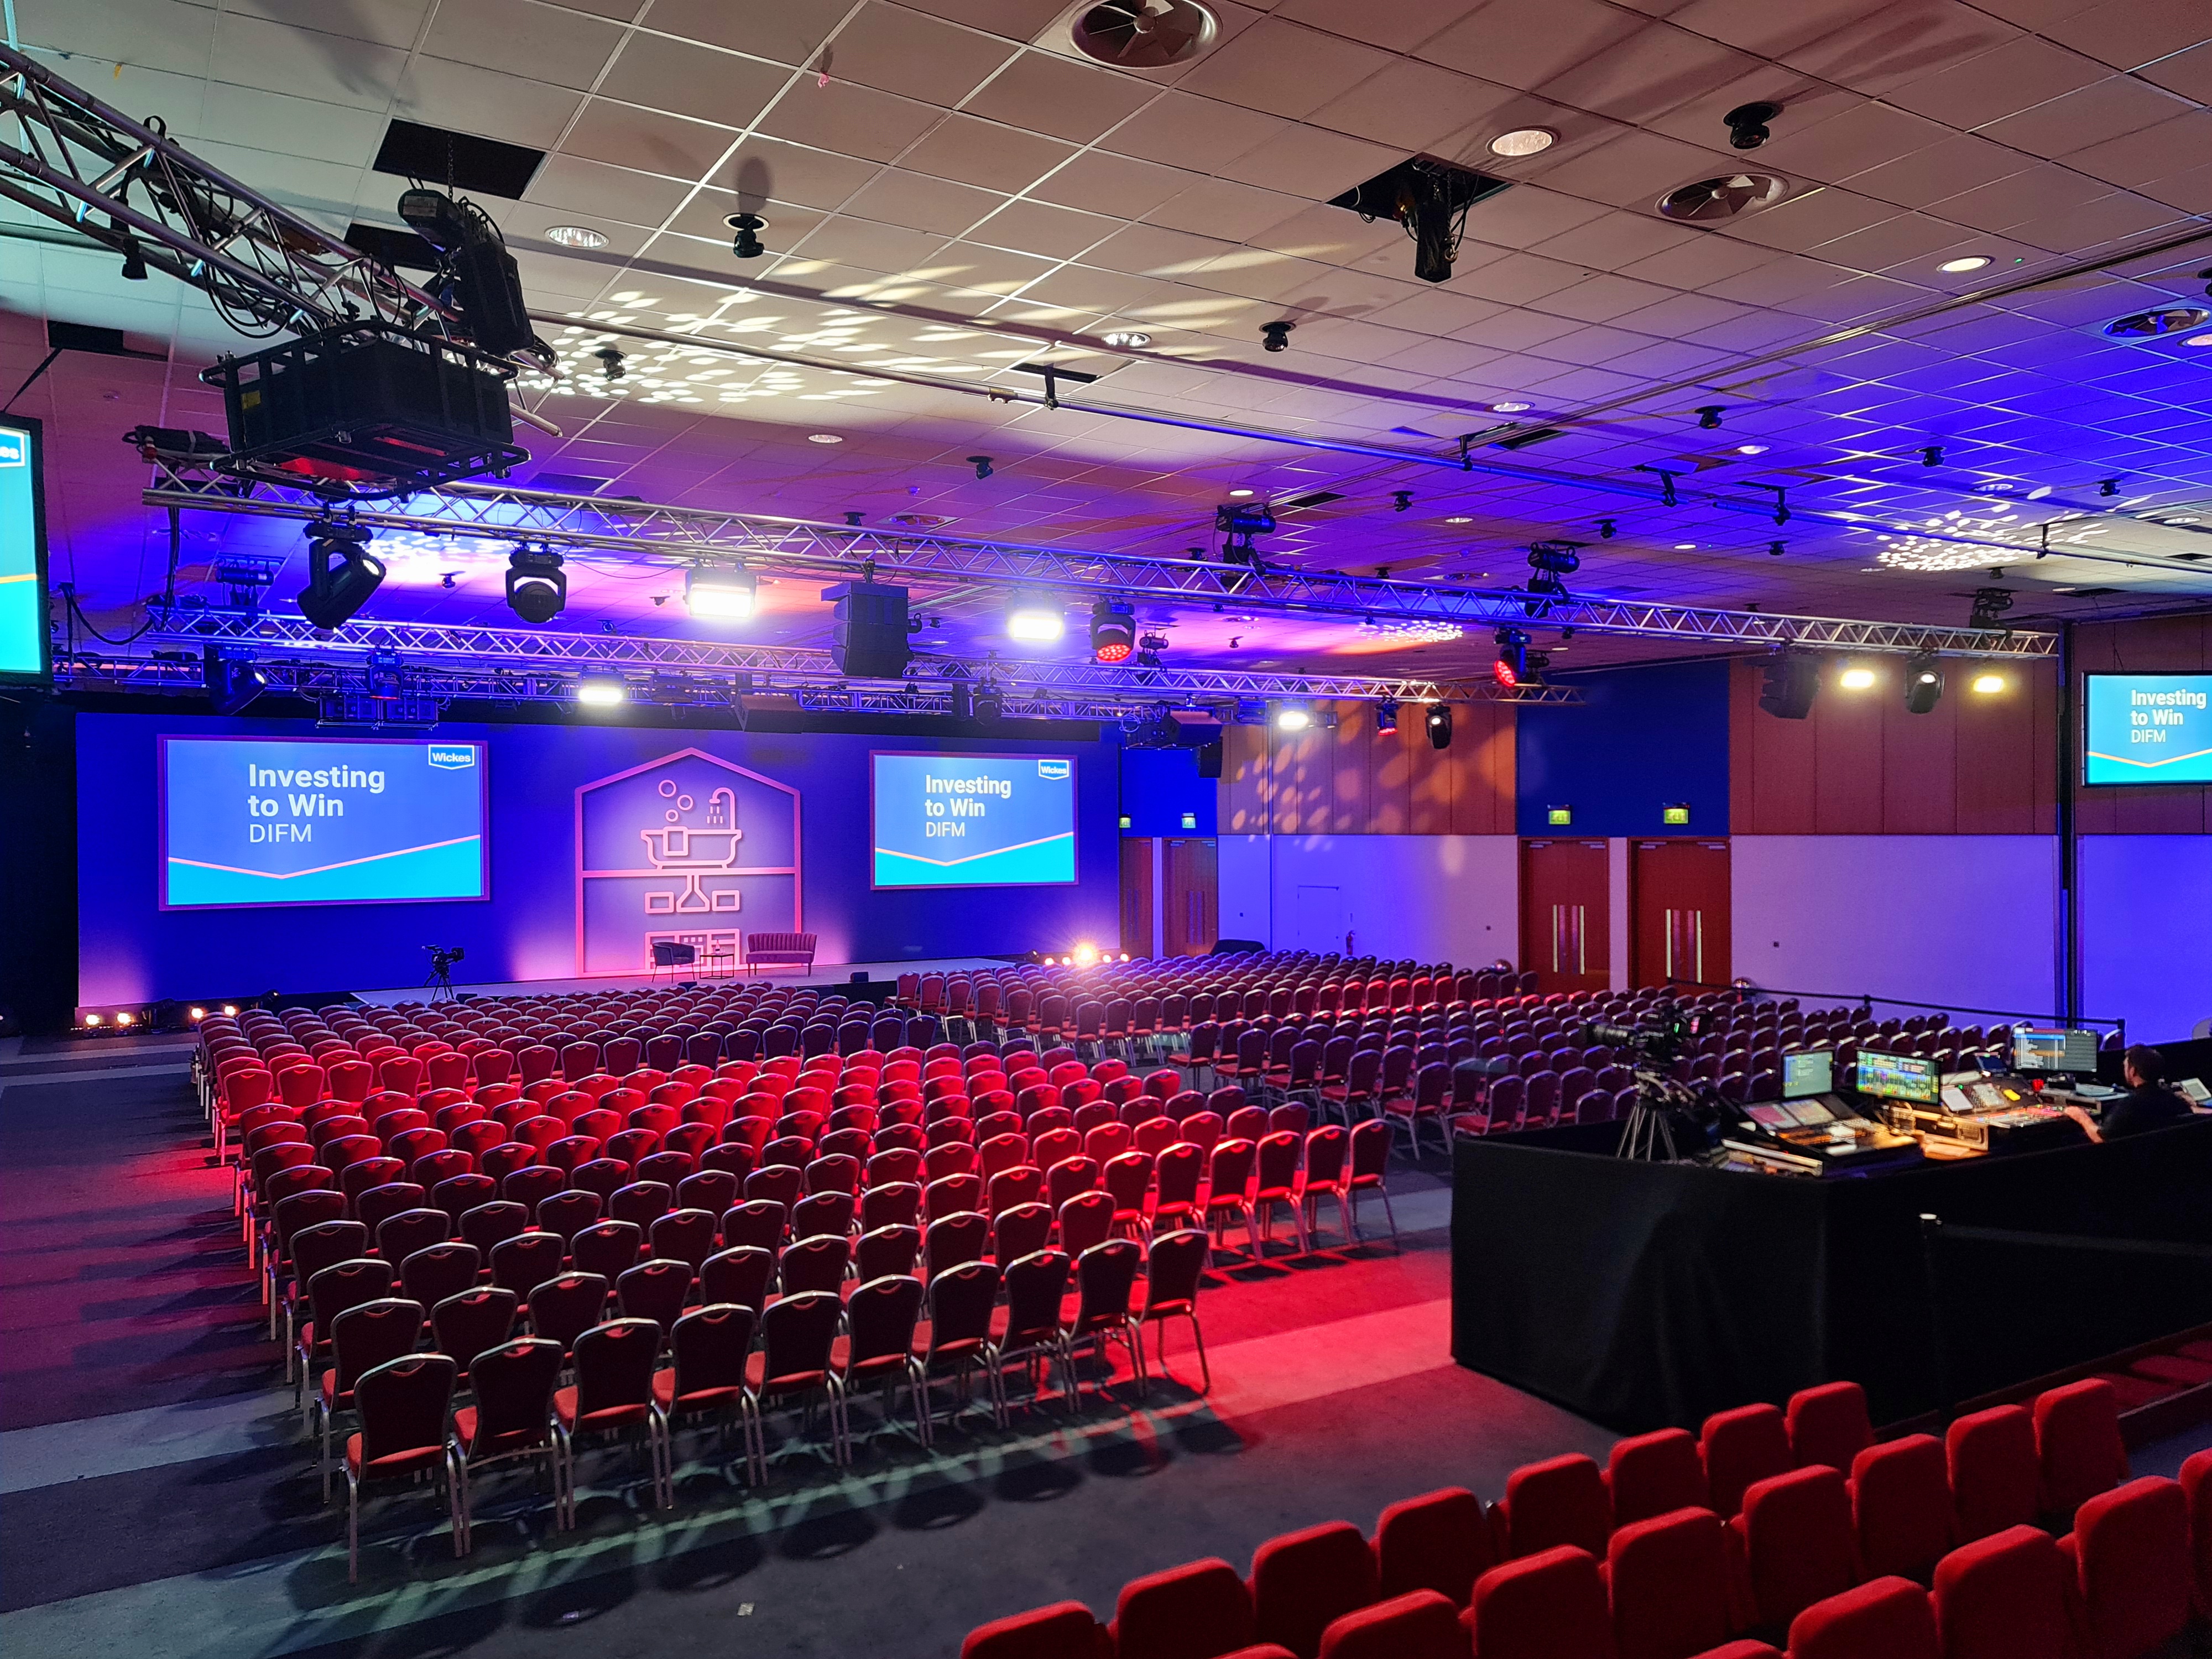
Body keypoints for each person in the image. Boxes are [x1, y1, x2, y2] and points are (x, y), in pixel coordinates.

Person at [2063, 1045, 2194, 1143]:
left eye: (2126, 1066)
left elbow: (2101, 1138)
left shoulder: (2130, 1106)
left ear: (2133, 1071)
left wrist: (2081, 1117)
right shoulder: (2175, 1101)